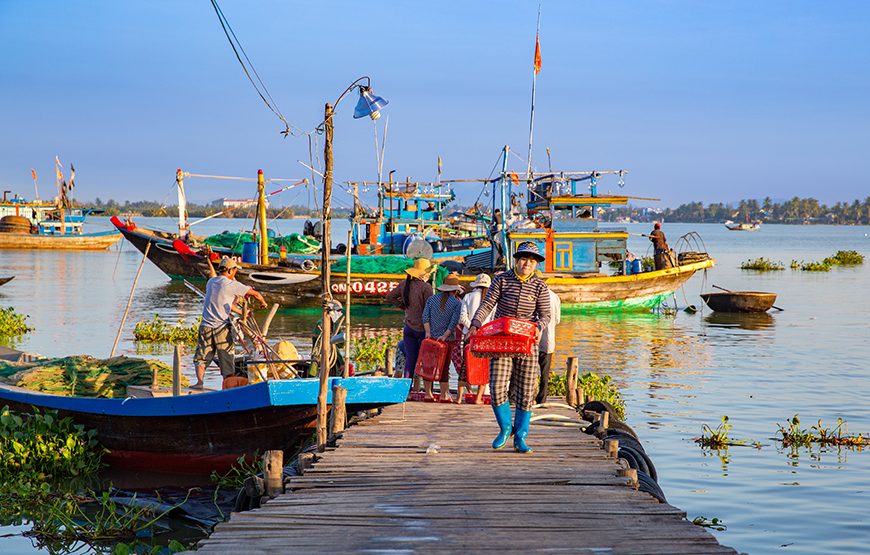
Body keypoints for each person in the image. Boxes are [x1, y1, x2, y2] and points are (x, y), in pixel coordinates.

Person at [468, 242, 551, 454]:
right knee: (496, 387)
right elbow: (487, 305)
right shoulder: (501, 279)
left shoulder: (540, 287)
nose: (527, 264)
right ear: (516, 260)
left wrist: (539, 327)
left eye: (532, 261)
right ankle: (505, 428)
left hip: (527, 342)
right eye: (524, 259)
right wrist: (475, 324)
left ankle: (521, 436)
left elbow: (545, 315)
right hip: (502, 340)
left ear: (535, 265)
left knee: (526, 390)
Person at [193, 256, 267, 389]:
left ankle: (199, 383)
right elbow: (256, 294)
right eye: (234, 270)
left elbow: (226, 304)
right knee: (227, 358)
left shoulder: (211, 282)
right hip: (221, 327)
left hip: (205, 326)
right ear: (230, 271)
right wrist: (263, 302)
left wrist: (241, 311)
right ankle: (229, 387)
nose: (235, 273)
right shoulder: (232, 285)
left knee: (202, 357)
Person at [385, 258, 435, 389]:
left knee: (410, 362)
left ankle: (405, 390)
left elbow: (389, 297)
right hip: (423, 329)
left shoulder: (404, 284)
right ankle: (424, 391)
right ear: (424, 274)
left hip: (409, 327)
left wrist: (404, 306)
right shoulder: (426, 287)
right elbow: (430, 310)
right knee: (424, 361)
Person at [421, 273, 464, 402]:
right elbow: (453, 322)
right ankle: (444, 395)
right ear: (456, 290)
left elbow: (425, 317)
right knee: (444, 367)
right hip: (447, 340)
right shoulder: (456, 303)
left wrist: (428, 332)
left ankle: (428, 394)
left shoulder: (432, 299)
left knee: (428, 365)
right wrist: (444, 336)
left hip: (431, 338)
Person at [456, 273, 493, 404]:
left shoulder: (468, 296)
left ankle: (459, 398)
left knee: (465, 366)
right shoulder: (492, 299)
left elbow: (462, 318)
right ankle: (478, 398)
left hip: (468, 336)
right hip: (486, 337)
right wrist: (481, 330)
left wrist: (472, 329)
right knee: (484, 367)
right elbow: (493, 319)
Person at [535, 282, 562, 405]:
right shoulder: (554, 296)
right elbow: (557, 320)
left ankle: (526, 398)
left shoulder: (533, 294)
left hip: (533, 340)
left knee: (529, 372)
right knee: (545, 373)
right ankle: (542, 398)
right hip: (548, 340)